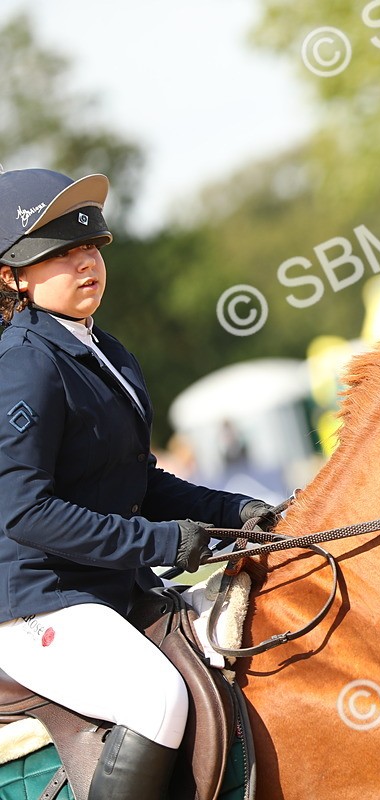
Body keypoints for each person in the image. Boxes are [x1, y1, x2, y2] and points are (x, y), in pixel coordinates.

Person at [0, 168, 275, 800]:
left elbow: (138, 481)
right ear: (14, 276)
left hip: (109, 589)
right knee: (157, 700)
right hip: (39, 602)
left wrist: (239, 511)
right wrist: (162, 543)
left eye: (90, 247)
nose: (85, 263)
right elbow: (25, 511)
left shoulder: (106, 352)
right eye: (61, 254)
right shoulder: (23, 365)